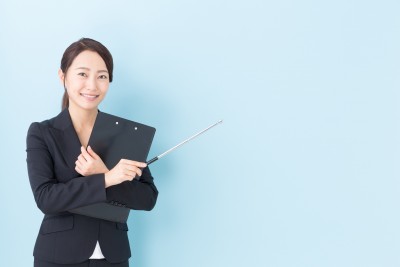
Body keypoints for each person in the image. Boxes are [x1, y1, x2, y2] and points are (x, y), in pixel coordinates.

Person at [26, 38, 158, 267]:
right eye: (82, 74)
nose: (92, 85)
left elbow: (148, 198)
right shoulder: (42, 132)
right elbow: (46, 198)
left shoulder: (127, 134)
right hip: (58, 257)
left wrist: (107, 175)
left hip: (113, 257)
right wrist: (106, 178)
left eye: (102, 76)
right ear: (62, 76)